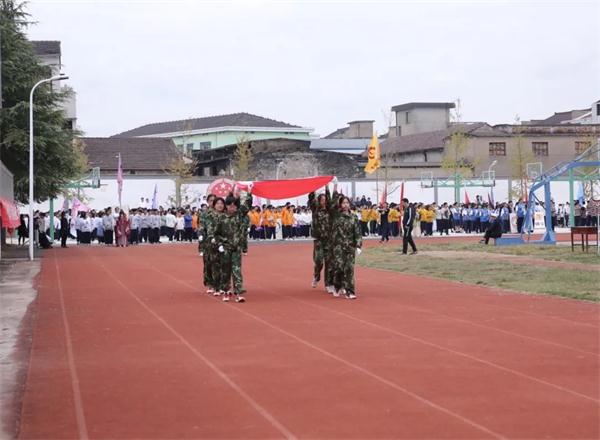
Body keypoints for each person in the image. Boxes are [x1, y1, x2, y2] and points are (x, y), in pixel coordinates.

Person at [214, 191, 252, 302]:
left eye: (234, 205)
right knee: (226, 270)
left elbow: (247, 205)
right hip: (225, 248)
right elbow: (216, 234)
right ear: (226, 206)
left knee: (237, 270)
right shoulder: (221, 218)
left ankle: (239, 293)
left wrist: (250, 193)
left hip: (236, 248)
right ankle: (226, 291)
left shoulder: (239, 215)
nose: (232, 207)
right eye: (230, 205)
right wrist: (220, 244)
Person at [330, 195, 362, 299]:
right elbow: (332, 204)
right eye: (343, 203)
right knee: (339, 268)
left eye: (347, 203)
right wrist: (333, 188)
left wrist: (358, 245)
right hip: (338, 247)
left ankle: (350, 292)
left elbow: (357, 232)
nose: (345, 205)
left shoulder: (354, 217)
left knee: (349, 269)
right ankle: (337, 286)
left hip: (350, 246)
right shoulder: (336, 215)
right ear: (340, 204)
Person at [308, 187, 332, 290]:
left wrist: (327, 187)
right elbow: (311, 198)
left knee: (329, 262)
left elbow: (331, 199)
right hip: (318, 240)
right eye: (322, 200)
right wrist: (313, 187)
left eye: (325, 200)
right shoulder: (316, 210)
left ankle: (328, 284)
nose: (324, 202)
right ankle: (316, 276)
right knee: (318, 261)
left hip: (329, 240)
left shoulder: (330, 211)